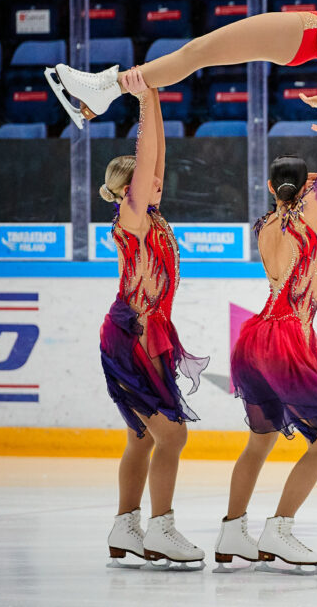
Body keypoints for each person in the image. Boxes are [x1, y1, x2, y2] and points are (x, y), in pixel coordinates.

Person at [215, 66, 317, 574]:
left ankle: (231, 531)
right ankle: (278, 530)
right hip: (286, 338)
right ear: (305, 185)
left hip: (254, 337)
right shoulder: (307, 214)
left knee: (258, 441)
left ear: (267, 186)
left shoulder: (263, 226)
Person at [44, 3, 317, 145]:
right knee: (197, 52)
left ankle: (106, 88)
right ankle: (106, 91)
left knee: (198, 52)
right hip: (300, 38)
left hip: (299, 34)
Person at [101, 67, 208, 569]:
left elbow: (157, 156)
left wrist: (155, 96)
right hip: (131, 335)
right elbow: (147, 160)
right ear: (128, 191)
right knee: (172, 434)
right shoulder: (133, 219)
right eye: (146, 180)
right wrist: (141, 104)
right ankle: (160, 528)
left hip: (149, 335)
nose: (158, 179)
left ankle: (125, 526)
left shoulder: (155, 218)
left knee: (142, 436)